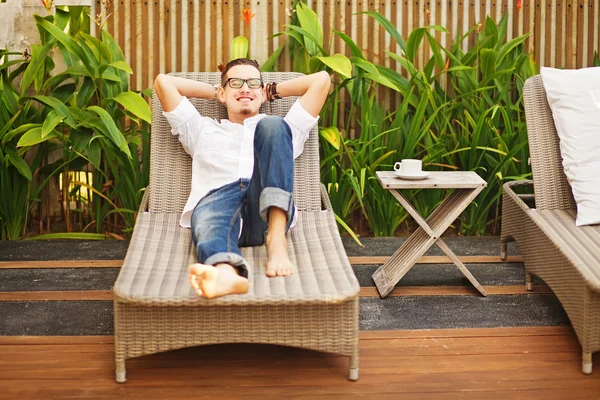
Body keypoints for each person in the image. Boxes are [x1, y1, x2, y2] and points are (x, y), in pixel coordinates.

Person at [153, 59, 330, 299]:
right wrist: (219, 91)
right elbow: (164, 83)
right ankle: (225, 274)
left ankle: (276, 241)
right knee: (209, 216)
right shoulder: (200, 129)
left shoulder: (285, 129)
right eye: (235, 83)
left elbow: (321, 81)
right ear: (222, 92)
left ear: (263, 90)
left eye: (252, 83)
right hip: (217, 203)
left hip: (265, 211)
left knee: (274, 125)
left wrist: (270, 91)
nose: (245, 88)